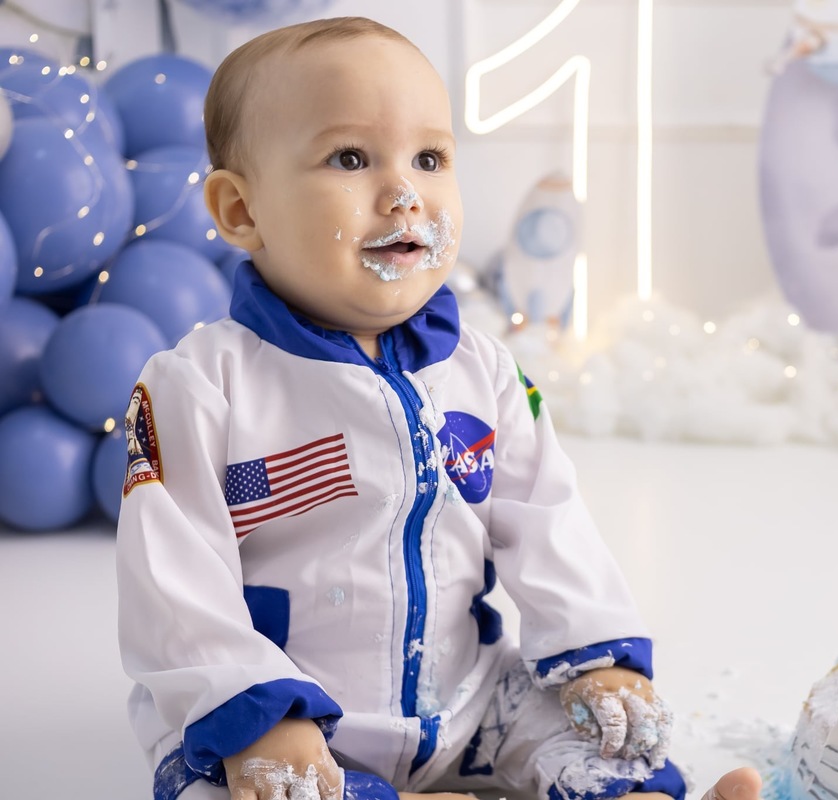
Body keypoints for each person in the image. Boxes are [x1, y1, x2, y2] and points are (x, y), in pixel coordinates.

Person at [115, 16, 764, 800]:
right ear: (242, 211)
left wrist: (601, 657)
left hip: (465, 699)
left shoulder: (483, 371)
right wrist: (258, 715)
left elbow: (546, 516)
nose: (403, 192)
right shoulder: (198, 385)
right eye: (351, 158)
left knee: (599, 745)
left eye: (430, 157)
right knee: (233, 790)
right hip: (285, 719)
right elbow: (172, 580)